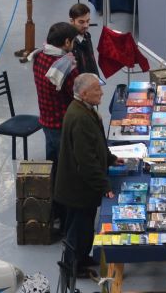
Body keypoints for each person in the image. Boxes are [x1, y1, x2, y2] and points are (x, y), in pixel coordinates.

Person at [54, 73, 117, 281]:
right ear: (84, 93)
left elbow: (96, 143)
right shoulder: (80, 118)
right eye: (97, 89)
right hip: (77, 188)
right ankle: (73, 267)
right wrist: (104, 185)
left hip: (80, 186)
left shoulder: (85, 109)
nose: (101, 92)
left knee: (85, 226)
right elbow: (86, 161)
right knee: (78, 229)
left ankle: (81, 258)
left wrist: (110, 158)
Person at [31, 21, 77, 164]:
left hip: (46, 120)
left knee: (52, 163)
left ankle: (50, 186)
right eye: (73, 41)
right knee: (67, 166)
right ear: (67, 42)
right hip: (62, 124)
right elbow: (77, 95)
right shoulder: (67, 66)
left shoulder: (38, 56)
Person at [68, 2, 99, 77]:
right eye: (81, 22)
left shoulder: (87, 36)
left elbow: (92, 60)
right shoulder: (69, 44)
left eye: (88, 21)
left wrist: (97, 78)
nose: (86, 25)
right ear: (72, 21)